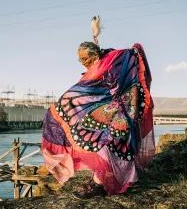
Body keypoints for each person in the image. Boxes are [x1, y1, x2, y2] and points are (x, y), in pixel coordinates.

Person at [41, 41, 155, 198]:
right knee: (101, 141)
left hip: (122, 109)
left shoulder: (112, 59)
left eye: (84, 59)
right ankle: (102, 180)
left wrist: (135, 50)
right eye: (80, 60)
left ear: (94, 55)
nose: (82, 63)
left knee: (110, 142)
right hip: (107, 111)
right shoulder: (98, 65)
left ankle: (100, 184)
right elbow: (87, 90)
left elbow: (85, 90)